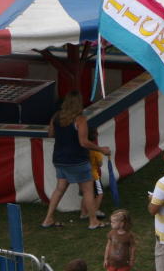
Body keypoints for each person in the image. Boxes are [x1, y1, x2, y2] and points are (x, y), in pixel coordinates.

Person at [42, 91, 110, 229]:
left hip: (59, 159)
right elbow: (84, 142)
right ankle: (93, 221)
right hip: (77, 160)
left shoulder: (56, 117)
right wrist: (101, 149)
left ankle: (48, 219)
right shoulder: (80, 120)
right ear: (79, 103)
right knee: (88, 191)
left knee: (59, 189)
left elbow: (50, 134)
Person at [82, 126, 105, 222]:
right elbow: (100, 164)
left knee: (85, 194)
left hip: (83, 174)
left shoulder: (82, 148)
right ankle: (95, 211)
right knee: (99, 193)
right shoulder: (96, 151)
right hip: (94, 175)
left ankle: (83, 213)